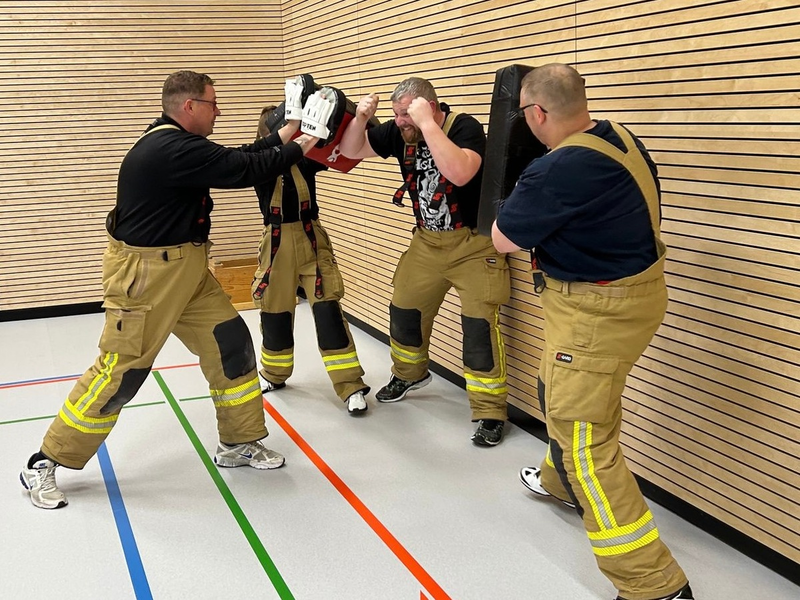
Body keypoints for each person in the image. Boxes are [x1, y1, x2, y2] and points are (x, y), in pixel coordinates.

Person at [19, 70, 322, 509]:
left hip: (188, 270)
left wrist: (289, 128)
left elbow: (240, 155)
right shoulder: (169, 148)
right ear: (189, 107)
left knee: (230, 344)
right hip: (147, 279)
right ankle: (42, 463)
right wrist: (309, 137)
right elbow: (246, 169)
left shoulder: (176, 142)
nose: (218, 111)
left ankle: (238, 442)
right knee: (120, 373)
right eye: (213, 104)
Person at [492, 63, 693, 600]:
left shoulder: (556, 170)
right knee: (555, 390)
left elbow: (502, 238)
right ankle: (559, 483)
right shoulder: (619, 138)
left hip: (596, 313)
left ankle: (655, 585)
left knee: (585, 440)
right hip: (635, 297)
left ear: (536, 113)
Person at [340, 77, 511, 446]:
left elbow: (461, 171)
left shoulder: (462, 126)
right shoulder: (401, 132)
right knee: (404, 309)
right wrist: (361, 118)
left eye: (407, 114)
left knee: (479, 329)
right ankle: (410, 374)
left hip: (473, 244)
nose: (400, 122)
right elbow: (352, 151)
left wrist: (428, 124)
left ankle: (490, 412)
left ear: (429, 108)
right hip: (427, 243)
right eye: (396, 114)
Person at [252, 104, 370, 415]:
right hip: (276, 244)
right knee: (274, 314)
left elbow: (341, 154)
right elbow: (261, 158)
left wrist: (352, 119)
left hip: (311, 241)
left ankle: (351, 386)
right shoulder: (258, 161)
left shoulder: (305, 156)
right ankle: (273, 374)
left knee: (328, 311)